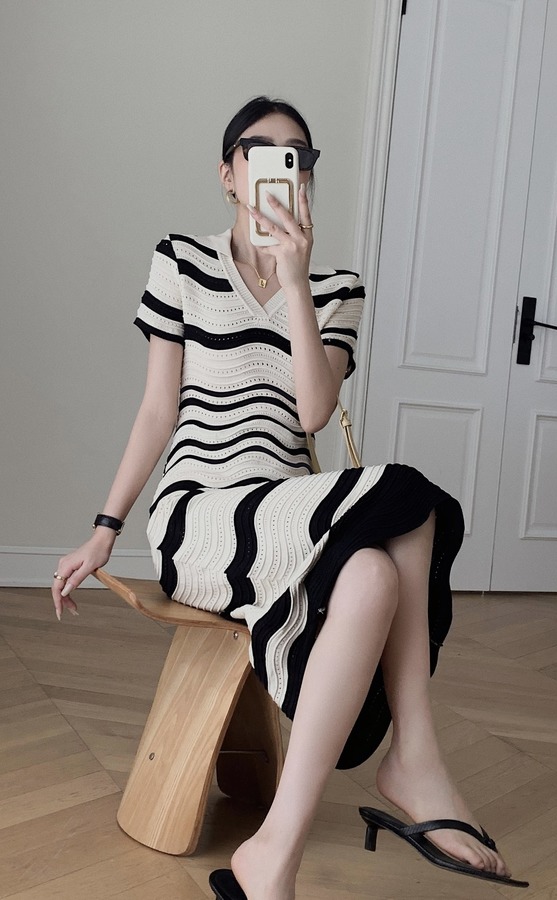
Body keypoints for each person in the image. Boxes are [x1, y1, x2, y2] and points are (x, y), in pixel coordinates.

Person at [51, 97, 527, 900]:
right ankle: (415, 754)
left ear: (306, 176)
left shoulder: (338, 288)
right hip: (200, 513)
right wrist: (106, 528)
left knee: (374, 574)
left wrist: (297, 283)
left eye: (297, 154)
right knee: (409, 496)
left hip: (290, 514)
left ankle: (273, 852)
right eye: (259, 148)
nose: (281, 163)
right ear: (228, 172)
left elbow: (311, 413)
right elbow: (158, 410)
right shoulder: (180, 261)